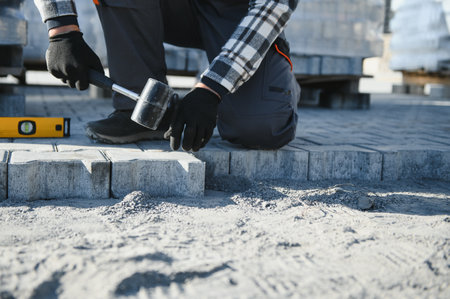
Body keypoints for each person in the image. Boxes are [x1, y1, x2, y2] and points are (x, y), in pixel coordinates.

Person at [34, 0, 300, 152]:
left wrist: (212, 88)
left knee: (259, 126)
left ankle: (264, 78)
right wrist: (62, 28)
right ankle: (140, 111)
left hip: (237, 10)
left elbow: (274, 4)